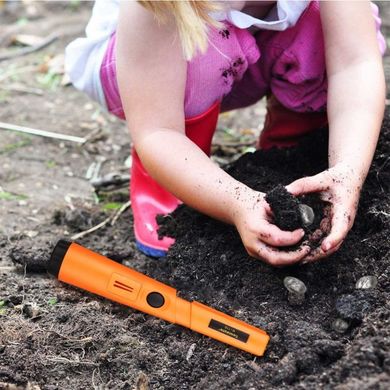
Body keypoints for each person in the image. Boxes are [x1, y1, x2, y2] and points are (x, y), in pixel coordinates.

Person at [65, 0, 386, 265]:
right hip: (149, 77)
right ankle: (172, 187)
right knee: (195, 32)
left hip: (250, 53)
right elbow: (158, 131)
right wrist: (236, 203)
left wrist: (348, 169)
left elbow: (354, 65)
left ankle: (290, 157)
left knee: (324, 27)